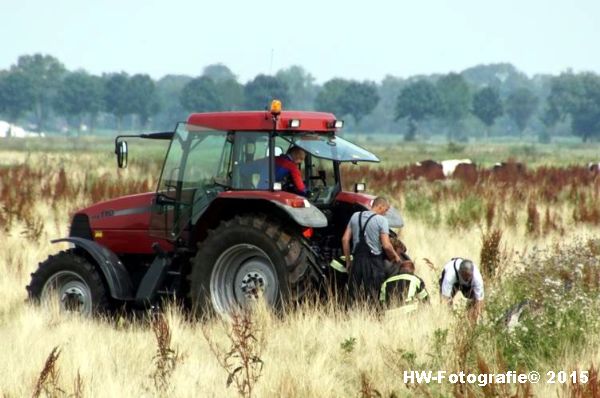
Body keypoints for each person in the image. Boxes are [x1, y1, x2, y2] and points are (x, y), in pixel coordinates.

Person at [341, 197, 401, 303]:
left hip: (357, 261)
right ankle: (372, 317)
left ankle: (353, 316)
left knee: (354, 294)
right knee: (374, 295)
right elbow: (386, 245)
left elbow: (345, 239)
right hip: (374, 262)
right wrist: (395, 256)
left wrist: (348, 261)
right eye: (386, 210)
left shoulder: (355, 216)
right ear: (380, 206)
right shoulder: (382, 221)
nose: (386, 213)